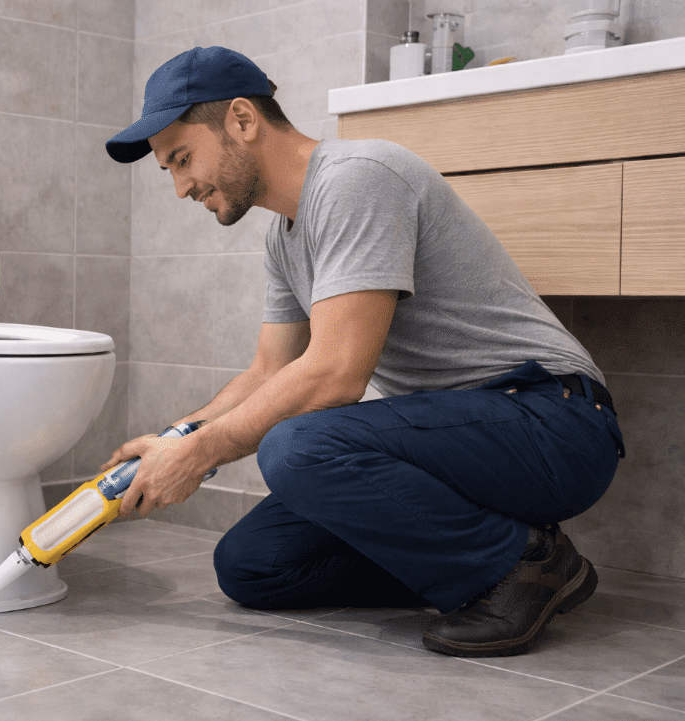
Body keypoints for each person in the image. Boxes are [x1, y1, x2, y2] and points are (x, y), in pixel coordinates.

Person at [101, 46, 625, 658]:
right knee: (252, 565)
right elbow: (271, 370)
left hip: (553, 423)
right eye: (169, 168)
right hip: (458, 448)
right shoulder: (285, 235)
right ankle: (490, 550)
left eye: (182, 158)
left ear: (242, 120)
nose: (181, 186)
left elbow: (334, 378)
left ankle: (526, 565)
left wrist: (197, 455)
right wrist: (176, 439)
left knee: (298, 445)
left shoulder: (358, 177)